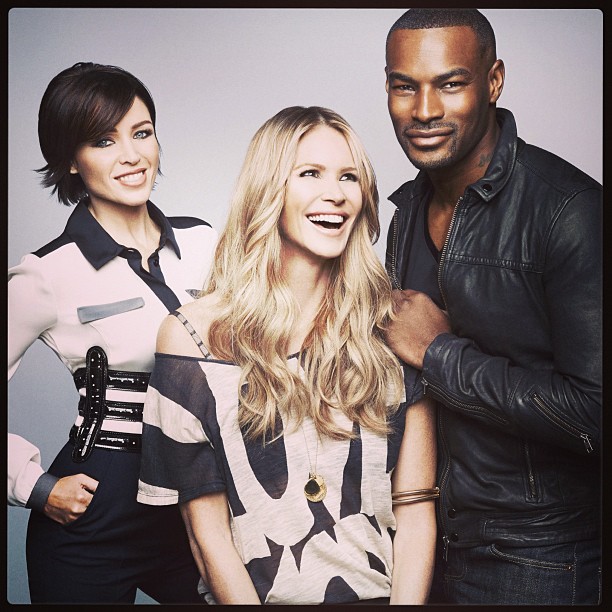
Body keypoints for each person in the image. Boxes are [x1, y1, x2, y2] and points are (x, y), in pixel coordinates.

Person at [137, 105, 438, 605]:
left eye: (349, 177)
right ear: (268, 189)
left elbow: (415, 513)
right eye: (310, 173)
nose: (335, 193)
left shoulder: (393, 327)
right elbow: (207, 538)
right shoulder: (191, 338)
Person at [382, 8, 601, 605]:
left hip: (539, 555)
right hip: (421, 542)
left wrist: (439, 353)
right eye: (405, 86)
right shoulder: (405, 214)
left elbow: (595, 413)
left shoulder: (568, 212)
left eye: (450, 83)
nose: (424, 110)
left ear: (494, 81)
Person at [7, 62, 218, 603]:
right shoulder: (46, 273)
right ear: (70, 160)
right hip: (96, 514)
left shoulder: (208, 244)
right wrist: (34, 486)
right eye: (103, 141)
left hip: (202, 498)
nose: (131, 155)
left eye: (141, 133)